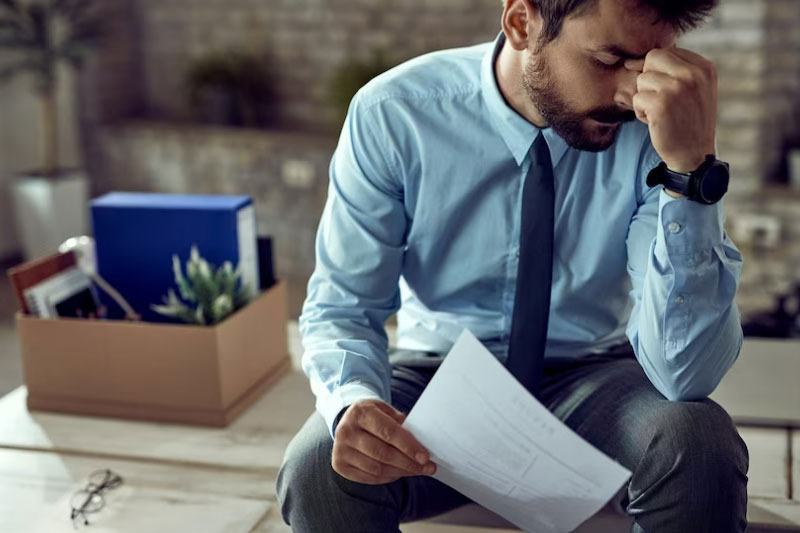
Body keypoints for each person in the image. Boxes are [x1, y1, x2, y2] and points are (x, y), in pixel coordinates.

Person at [277, 0, 749, 531]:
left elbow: (685, 374)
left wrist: (691, 173)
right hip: (438, 376)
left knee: (700, 442)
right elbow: (343, 305)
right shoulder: (395, 115)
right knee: (319, 464)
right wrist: (352, 403)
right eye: (608, 60)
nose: (629, 93)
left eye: (646, 64)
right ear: (522, 23)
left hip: (593, 379)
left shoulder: (657, 131)